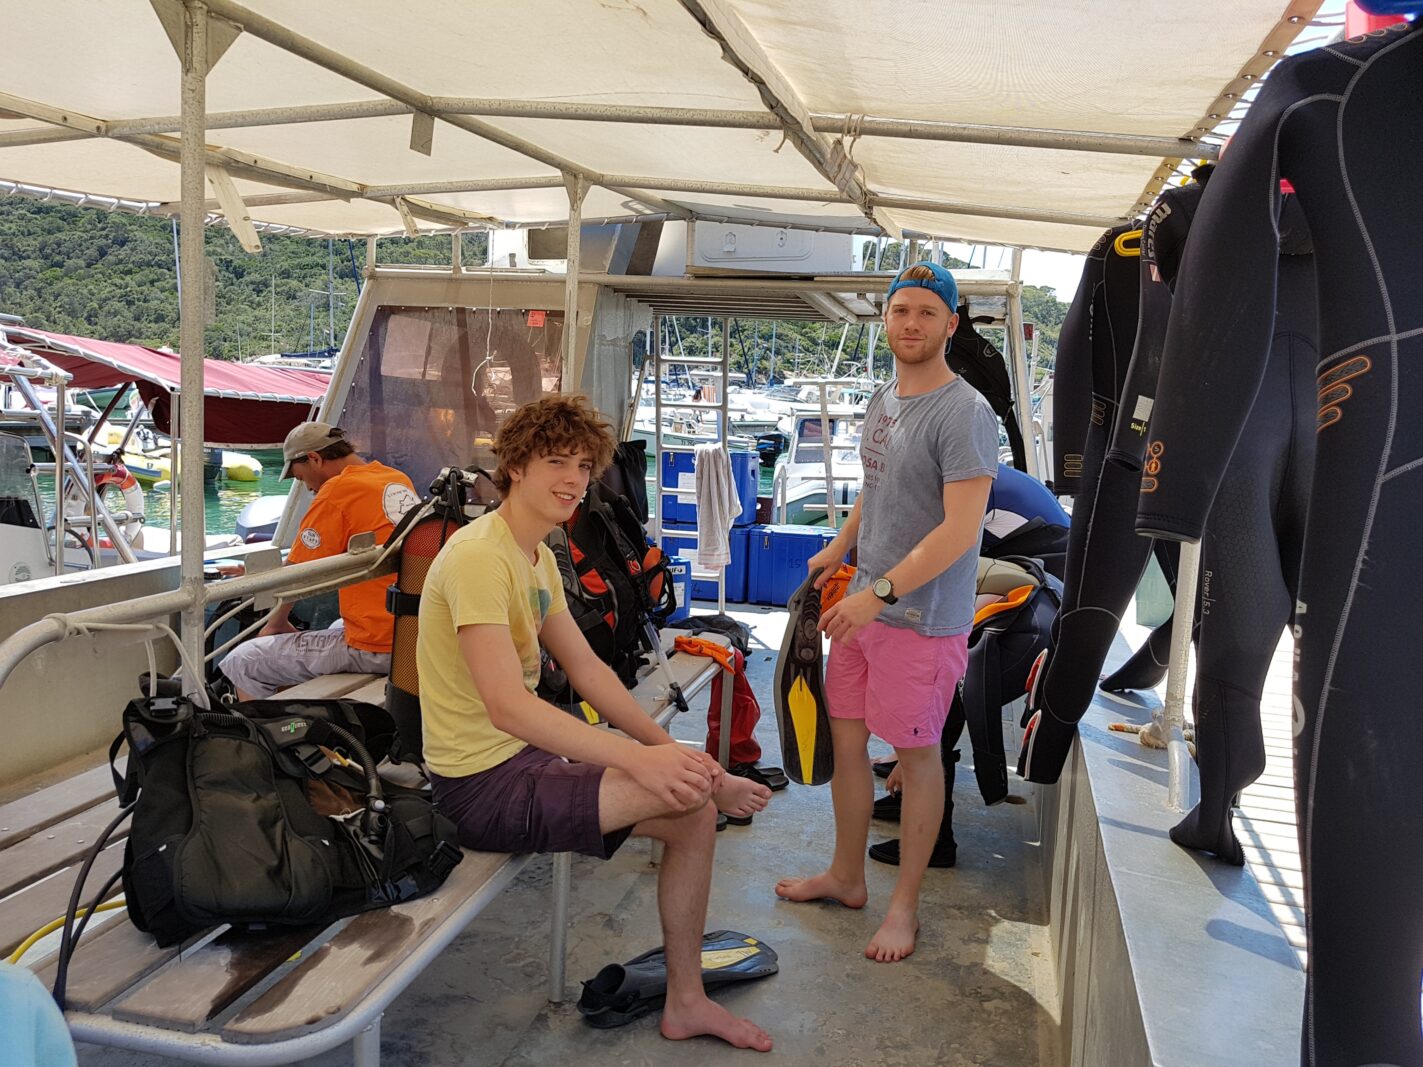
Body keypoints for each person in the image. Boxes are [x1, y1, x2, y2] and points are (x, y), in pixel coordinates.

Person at [415, 393, 772, 1052]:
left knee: (688, 797)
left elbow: (588, 672)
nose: (575, 479)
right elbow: (508, 705)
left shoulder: (535, 554)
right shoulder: (477, 557)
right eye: (557, 461)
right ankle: (686, 997)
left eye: (584, 464)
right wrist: (642, 762)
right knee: (688, 794)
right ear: (515, 467)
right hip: (476, 784)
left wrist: (664, 747)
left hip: (519, 760)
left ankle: (686, 999)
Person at [776, 262, 998, 963]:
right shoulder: (883, 398)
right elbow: (874, 491)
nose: (910, 323)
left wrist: (881, 592)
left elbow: (960, 528)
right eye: (900, 310)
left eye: (926, 313)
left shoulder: (965, 411)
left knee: (916, 754)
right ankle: (845, 876)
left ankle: (903, 906)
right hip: (863, 607)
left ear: (950, 324)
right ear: (886, 319)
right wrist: (837, 548)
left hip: (918, 620)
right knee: (845, 742)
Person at [220, 422, 418, 700]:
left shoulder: (338, 490)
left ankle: (266, 738)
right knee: (336, 627)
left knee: (245, 660)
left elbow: (298, 574)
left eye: (300, 478)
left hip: (377, 646)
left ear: (314, 458)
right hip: (410, 634)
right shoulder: (396, 479)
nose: (307, 487)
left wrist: (275, 624)